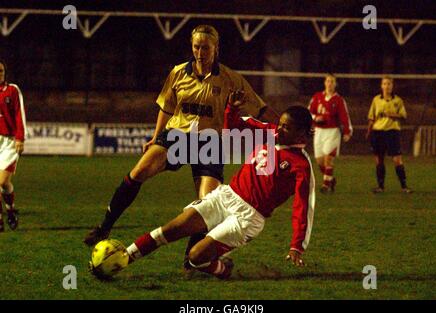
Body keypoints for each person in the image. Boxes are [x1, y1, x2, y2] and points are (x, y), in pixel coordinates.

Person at [83, 25, 267, 273]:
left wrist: (289, 123)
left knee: (205, 202)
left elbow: (261, 108)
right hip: (177, 136)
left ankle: (190, 261)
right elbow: (166, 107)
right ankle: (104, 227)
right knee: (140, 170)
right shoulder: (178, 73)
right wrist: (156, 137)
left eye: (205, 47)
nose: (200, 52)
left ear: (215, 48)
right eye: (196, 47)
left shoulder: (231, 79)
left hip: (210, 144)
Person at [100, 96, 315, 281]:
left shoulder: (301, 166)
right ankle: (120, 260)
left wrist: (297, 245)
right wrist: (232, 108)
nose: (279, 127)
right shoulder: (270, 133)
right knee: (169, 230)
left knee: (195, 257)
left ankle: (222, 269)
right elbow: (234, 127)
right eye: (281, 123)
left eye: (287, 127)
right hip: (226, 196)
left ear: (302, 135)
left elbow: (303, 207)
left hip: (248, 218)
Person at [366, 77, 412, 193]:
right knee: (379, 159)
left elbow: (404, 116)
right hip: (378, 132)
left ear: (392, 86)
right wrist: (368, 131)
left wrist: (392, 115)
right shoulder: (376, 100)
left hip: (392, 131)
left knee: (397, 159)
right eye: (385, 84)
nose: (387, 86)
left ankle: (404, 186)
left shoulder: (398, 101)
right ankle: (380, 187)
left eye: (389, 84)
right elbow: (372, 118)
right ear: (381, 86)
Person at [308, 74, 352, 193]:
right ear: (325, 83)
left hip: (332, 131)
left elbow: (344, 116)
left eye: (332, 81)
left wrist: (347, 131)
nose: (330, 83)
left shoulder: (338, 99)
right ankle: (330, 179)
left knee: (328, 159)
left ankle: (326, 185)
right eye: (328, 81)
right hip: (319, 132)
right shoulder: (317, 97)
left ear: (335, 84)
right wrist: (316, 117)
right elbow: (309, 112)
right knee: (320, 162)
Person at [0, 61, 26, 232]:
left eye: (1, 70)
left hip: (9, 143)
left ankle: (7, 214)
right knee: (3, 185)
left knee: (2, 182)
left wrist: (20, 138)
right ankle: (7, 213)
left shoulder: (12, 90)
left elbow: (19, 113)